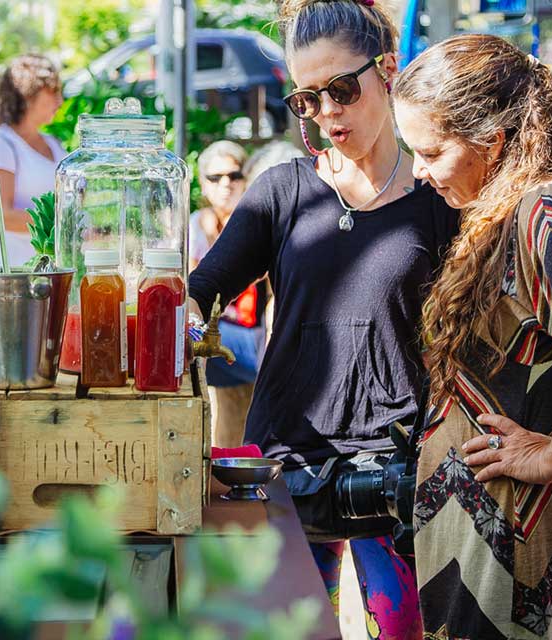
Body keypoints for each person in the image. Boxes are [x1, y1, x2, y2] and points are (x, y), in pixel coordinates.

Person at [187, 0, 459, 637]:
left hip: (397, 465)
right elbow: (204, 289)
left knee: (400, 628)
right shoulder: (282, 189)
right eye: (307, 98)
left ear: (387, 71)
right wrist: (187, 325)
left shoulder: (437, 196)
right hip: (287, 461)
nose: (327, 113)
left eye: (341, 88)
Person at [392, 34, 552, 640]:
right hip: (500, 542)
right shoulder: (508, 208)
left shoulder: (543, 209)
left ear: (494, 141)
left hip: (517, 551)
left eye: (430, 152)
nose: (420, 173)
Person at [190, 141, 268, 448]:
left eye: (234, 176)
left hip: (253, 340)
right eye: (215, 177)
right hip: (222, 339)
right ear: (202, 184)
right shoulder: (196, 226)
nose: (226, 184)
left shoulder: (260, 223)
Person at [0, 54, 66, 267]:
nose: (60, 101)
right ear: (28, 93)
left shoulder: (54, 144)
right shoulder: (0, 144)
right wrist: (65, 225)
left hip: (53, 272)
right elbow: (2, 217)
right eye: (54, 91)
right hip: (13, 274)